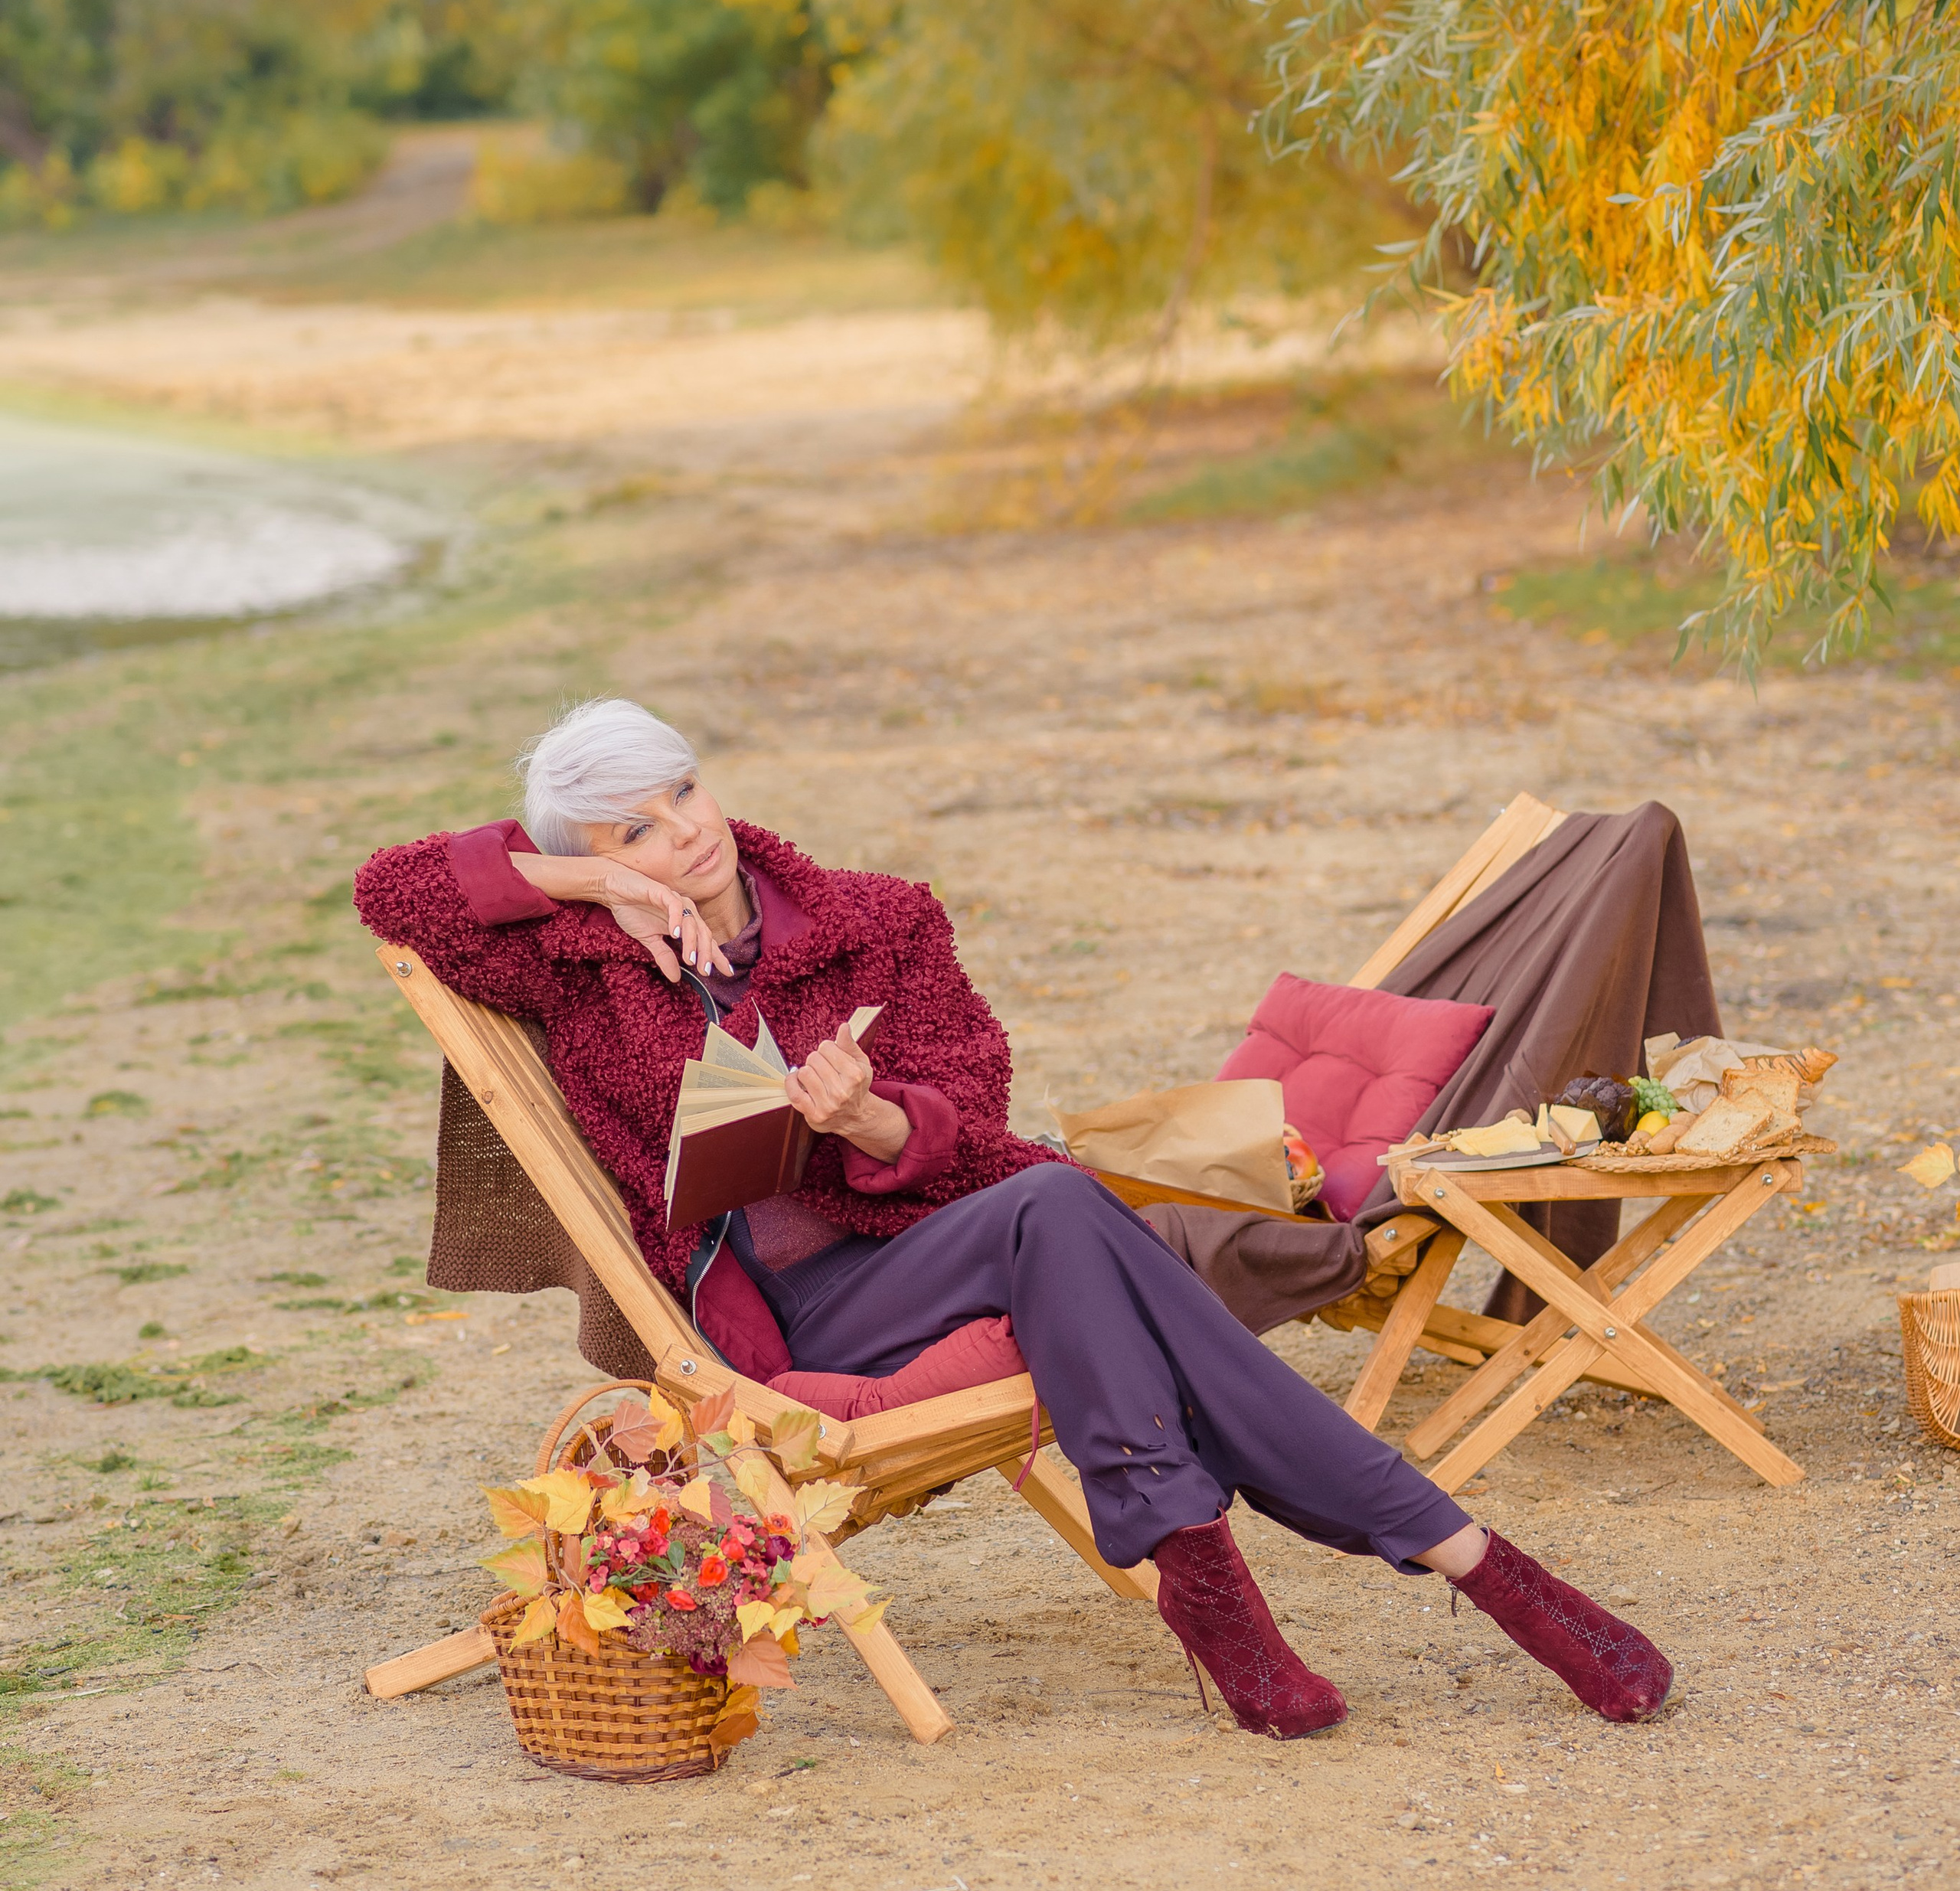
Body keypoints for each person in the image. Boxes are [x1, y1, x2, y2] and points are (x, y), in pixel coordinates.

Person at [355, 697, 1674, 1736]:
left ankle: (1230, 1597)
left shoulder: (878, 922)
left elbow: (971, 1102)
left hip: (907, 1245)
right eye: (631, 828)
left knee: (1053, 1204)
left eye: (682, 793)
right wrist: (603, 894)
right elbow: (390, 886)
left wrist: (875, 1123)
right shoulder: (573, 958)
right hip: (771, 1309)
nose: (681, 836)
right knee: (1093, 1230)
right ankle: (1476, 1563)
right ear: (586, 859)